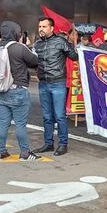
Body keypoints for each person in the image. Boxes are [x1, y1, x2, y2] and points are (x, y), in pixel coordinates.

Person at [0, 21, 41, 161]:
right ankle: (25, 154)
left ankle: (1, 152)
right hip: (17, 90)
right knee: (20, 124)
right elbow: (35, 61)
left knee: (2, 122)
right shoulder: (19, 48)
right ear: (16, 32)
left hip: (1, 90)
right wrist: (26, 45)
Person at [32, 17, 78, 156]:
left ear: (52, 28)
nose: (41, 29)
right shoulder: (37, 44)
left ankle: (63, 144)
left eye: (44, 26)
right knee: (47, 116)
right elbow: (33, 61)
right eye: (40, 26)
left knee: (59, 116)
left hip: (58, 83)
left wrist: (72, 46)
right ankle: (48, 144)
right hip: (43, 83)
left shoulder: (60, 41)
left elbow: (74, 57)